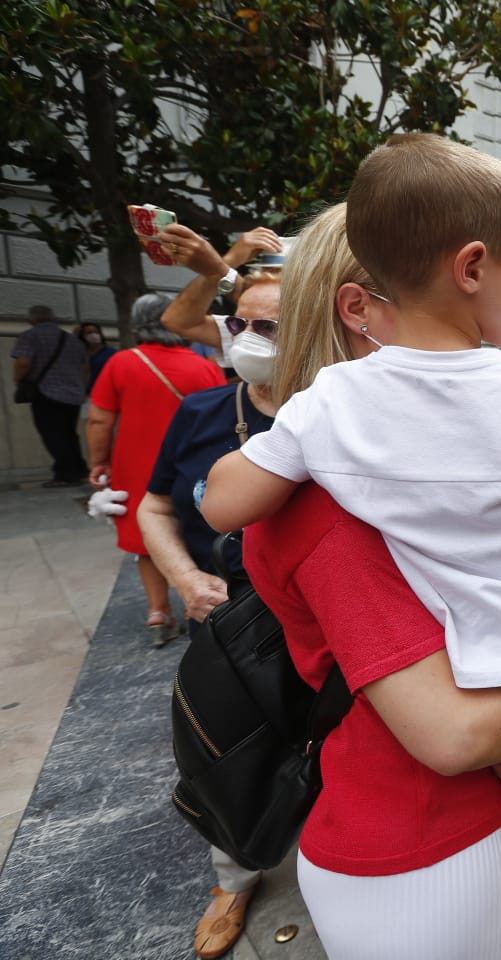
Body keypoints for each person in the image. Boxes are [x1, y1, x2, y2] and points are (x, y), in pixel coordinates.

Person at [201, 136, 501, 938]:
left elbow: (222, 505)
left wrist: (272, 456)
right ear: (470, 268)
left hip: (483, 683)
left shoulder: (329, 411)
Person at [136, 212, 320, 958]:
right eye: (242, 324)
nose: (250, 341)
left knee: (324, 757)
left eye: (271, 329)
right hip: (227, 630)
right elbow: (153, 505)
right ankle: (233, 879)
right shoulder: (203, 410)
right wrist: (183, 576)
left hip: (316, 628)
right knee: (228, 757)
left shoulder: (334, 413)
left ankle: (332, 874)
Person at [86, 294, 226, 645]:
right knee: (193, 531)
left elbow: (99, 418)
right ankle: (200, 602)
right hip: (194, 465)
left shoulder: (121, 362)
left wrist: (98, 461)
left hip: (137, 464)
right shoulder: (203, 365)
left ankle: (157, 612)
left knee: (147, 536)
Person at [158, 225, 286, 366]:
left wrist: (221, 266)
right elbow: (178, 320)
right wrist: (226, 263)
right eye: (237, 323)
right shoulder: (248, 329)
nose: (247, 335)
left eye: (267, 327)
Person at [10, 305, 89, 486]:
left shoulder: (29, 336)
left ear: (32, 320)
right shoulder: (72, 340)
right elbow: (85, 369)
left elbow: (23, 363)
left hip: (47, 392)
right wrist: (80, 387)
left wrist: (18, 380)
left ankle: (65, 475)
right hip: (74, 394)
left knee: (53, 434)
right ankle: (79, 469)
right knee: (69, 433)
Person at [75, 321, 119, 390]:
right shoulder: (80, 353)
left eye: (96, 332)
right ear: (83, 336)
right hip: (85, 392)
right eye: (89, 333)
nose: (94, 335)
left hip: (105, 391)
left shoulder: (112, 353)